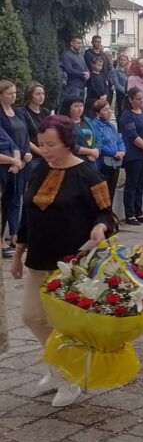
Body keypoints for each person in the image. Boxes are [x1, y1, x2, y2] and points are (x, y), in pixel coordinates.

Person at [9, 114, 117, 407]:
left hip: (72, 265)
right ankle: (58, 366)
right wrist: (18, 255)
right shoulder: (38, 170)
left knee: (65, 323)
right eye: (42, 143)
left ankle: (71, 377)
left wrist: (100, 227)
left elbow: (108, 214)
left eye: (51, 144)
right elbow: (27, 218)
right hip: (38, 259)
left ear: (67, 142)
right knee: (31, 316)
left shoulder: (89, 175)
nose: (45, 149)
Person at [0, 82, 31, 255]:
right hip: (6, 164)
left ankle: (14, 235)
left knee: (15, 199)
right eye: (9, 93)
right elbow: (5, 141)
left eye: (14, 92)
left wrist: (24, 155)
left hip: (19, 162)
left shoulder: (18, 112)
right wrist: (13, 160)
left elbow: (23, 136)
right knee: (4, 201)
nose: (13, 95)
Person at [119, 86, 143, 225]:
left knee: (141, 183)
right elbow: (133, 136)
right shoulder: (127, 115)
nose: (141, 101)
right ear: (130, 100)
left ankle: (139, 211)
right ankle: (130, 214)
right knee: (132, 184)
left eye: (142, 98)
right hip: (134, 154)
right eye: (138, 99)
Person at [89, 98, 126, 200]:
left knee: (112, 191)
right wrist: (114, 152)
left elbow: (119, 141)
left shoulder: (111, 126)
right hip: (103, 163)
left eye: (109, 109)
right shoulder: (94, 125)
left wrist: (122, 151)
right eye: (105, 110)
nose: (109, 112)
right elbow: (98, 144)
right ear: (97, 113)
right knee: (103, 193)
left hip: (116, 161)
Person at [59, 37, 89, 102]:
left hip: (82, 86)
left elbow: (85, 67)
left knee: (80, 106)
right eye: (78, 43)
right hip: (72, 86)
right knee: (73, 105)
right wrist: (82, 74)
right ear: (72, 43)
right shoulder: (67, 55)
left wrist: (88, 73)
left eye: (81, 43)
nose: (80, 45)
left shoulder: (80, 55)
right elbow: (69, 70)